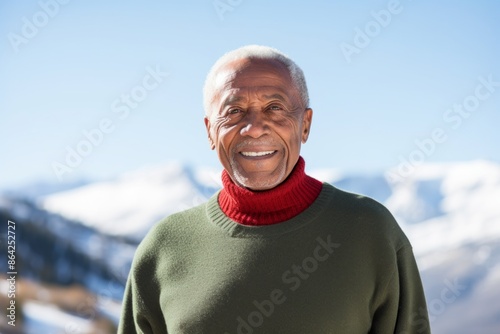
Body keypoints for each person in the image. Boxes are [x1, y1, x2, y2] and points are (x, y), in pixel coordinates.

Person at [118, 45, 430, 334]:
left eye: (275, 107)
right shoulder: (164, 247)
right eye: (234, 111)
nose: (254, 127)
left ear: (305, 124)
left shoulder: (369, 231)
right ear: (209, 131)